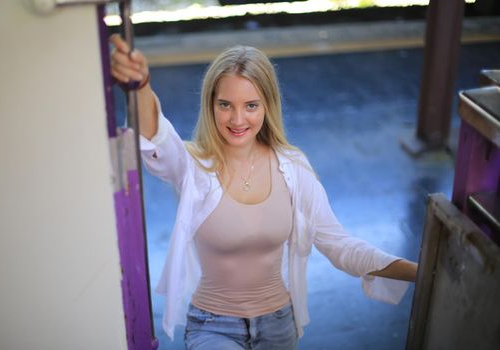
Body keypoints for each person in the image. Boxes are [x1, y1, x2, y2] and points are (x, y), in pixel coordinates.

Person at [109, 34, 418, 350]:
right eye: (225, 105)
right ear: (210, 104)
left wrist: (420, 272)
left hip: (279, 326)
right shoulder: (193, 166)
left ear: (268, 105)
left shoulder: (293, 168)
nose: (238, 119)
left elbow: (339, 244)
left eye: (251, 105)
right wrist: (142, 84)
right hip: (213, 326)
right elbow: (157, 138)